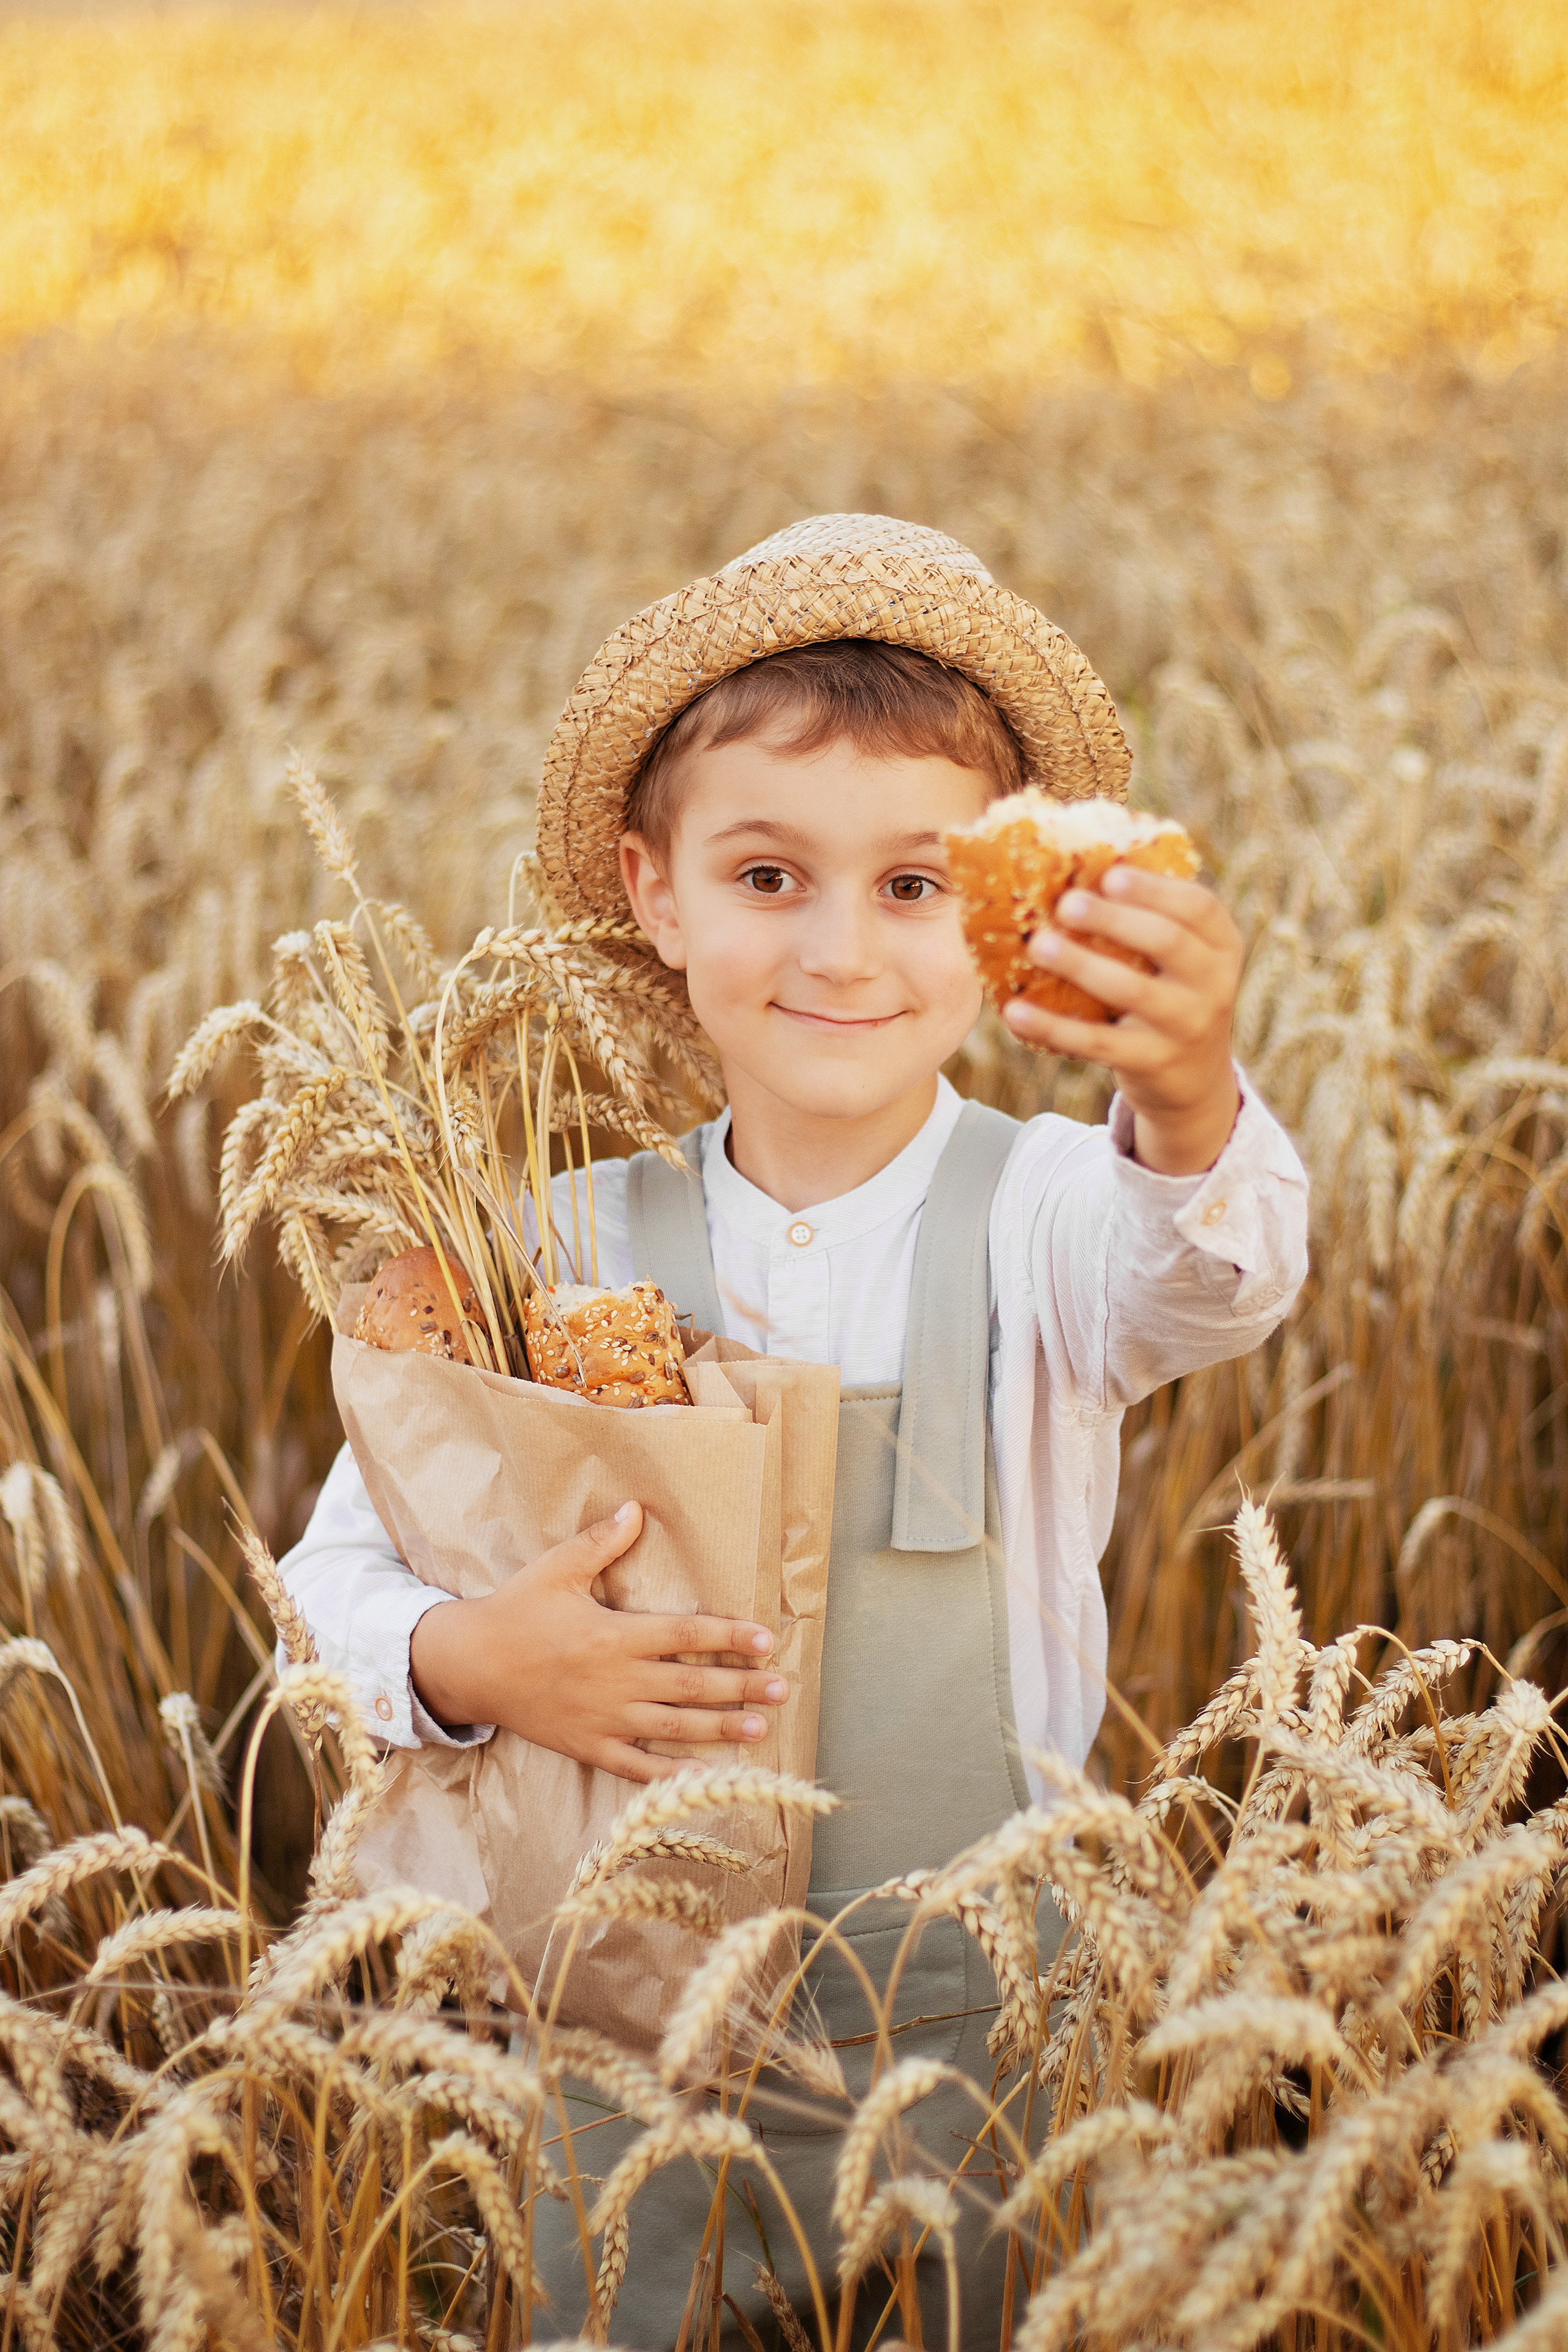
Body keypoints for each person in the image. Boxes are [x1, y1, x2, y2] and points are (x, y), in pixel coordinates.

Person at [279, 513, 1308, 2346]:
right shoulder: (546, 1239)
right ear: (652, 888)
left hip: (986, 2032)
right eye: (770, 876)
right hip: (626, 2037)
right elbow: (334, 1582)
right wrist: (467, 1658)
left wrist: (1186, 1080)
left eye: (916, 887)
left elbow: (1214, 1275)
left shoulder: (1062, 1213)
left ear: (1011, 922)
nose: (842, 947)